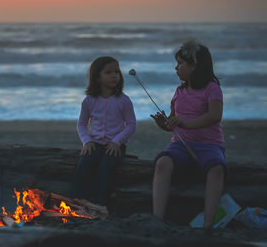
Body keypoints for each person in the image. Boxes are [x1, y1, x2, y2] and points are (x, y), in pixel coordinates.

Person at [151, 40, 225, 228]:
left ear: (194, 66)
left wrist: (187, 124)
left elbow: (215, 116)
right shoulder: (179, 91)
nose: (176, 68)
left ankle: (208, 224)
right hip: (180, 144)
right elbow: (173, 124)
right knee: (162, 163)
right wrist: (164, 124)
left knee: (217, 169)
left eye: (180, 64)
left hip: (209, 144)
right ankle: (157, 218)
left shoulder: (212, 88)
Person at [71, 56, 137, 205]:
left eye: (117, 72)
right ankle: (76, 202)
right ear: (97, 77)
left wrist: (117, 142)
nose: (114, 75)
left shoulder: (123, 100)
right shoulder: (89, 100)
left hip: (115, 145)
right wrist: (86, 141)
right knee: (83, 166)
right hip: (94, 143)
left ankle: (98, 204)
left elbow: (131, 124)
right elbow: (81, 124)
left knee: (105, 169)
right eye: (108, 72)